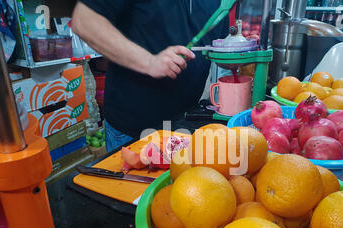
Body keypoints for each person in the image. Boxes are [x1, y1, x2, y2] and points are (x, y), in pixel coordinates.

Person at [72, 0, 228, 152]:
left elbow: (218, 48)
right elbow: (85, 21)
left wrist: (241, 49)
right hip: (131, 130)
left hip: (184, 125)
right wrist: (148, 61)